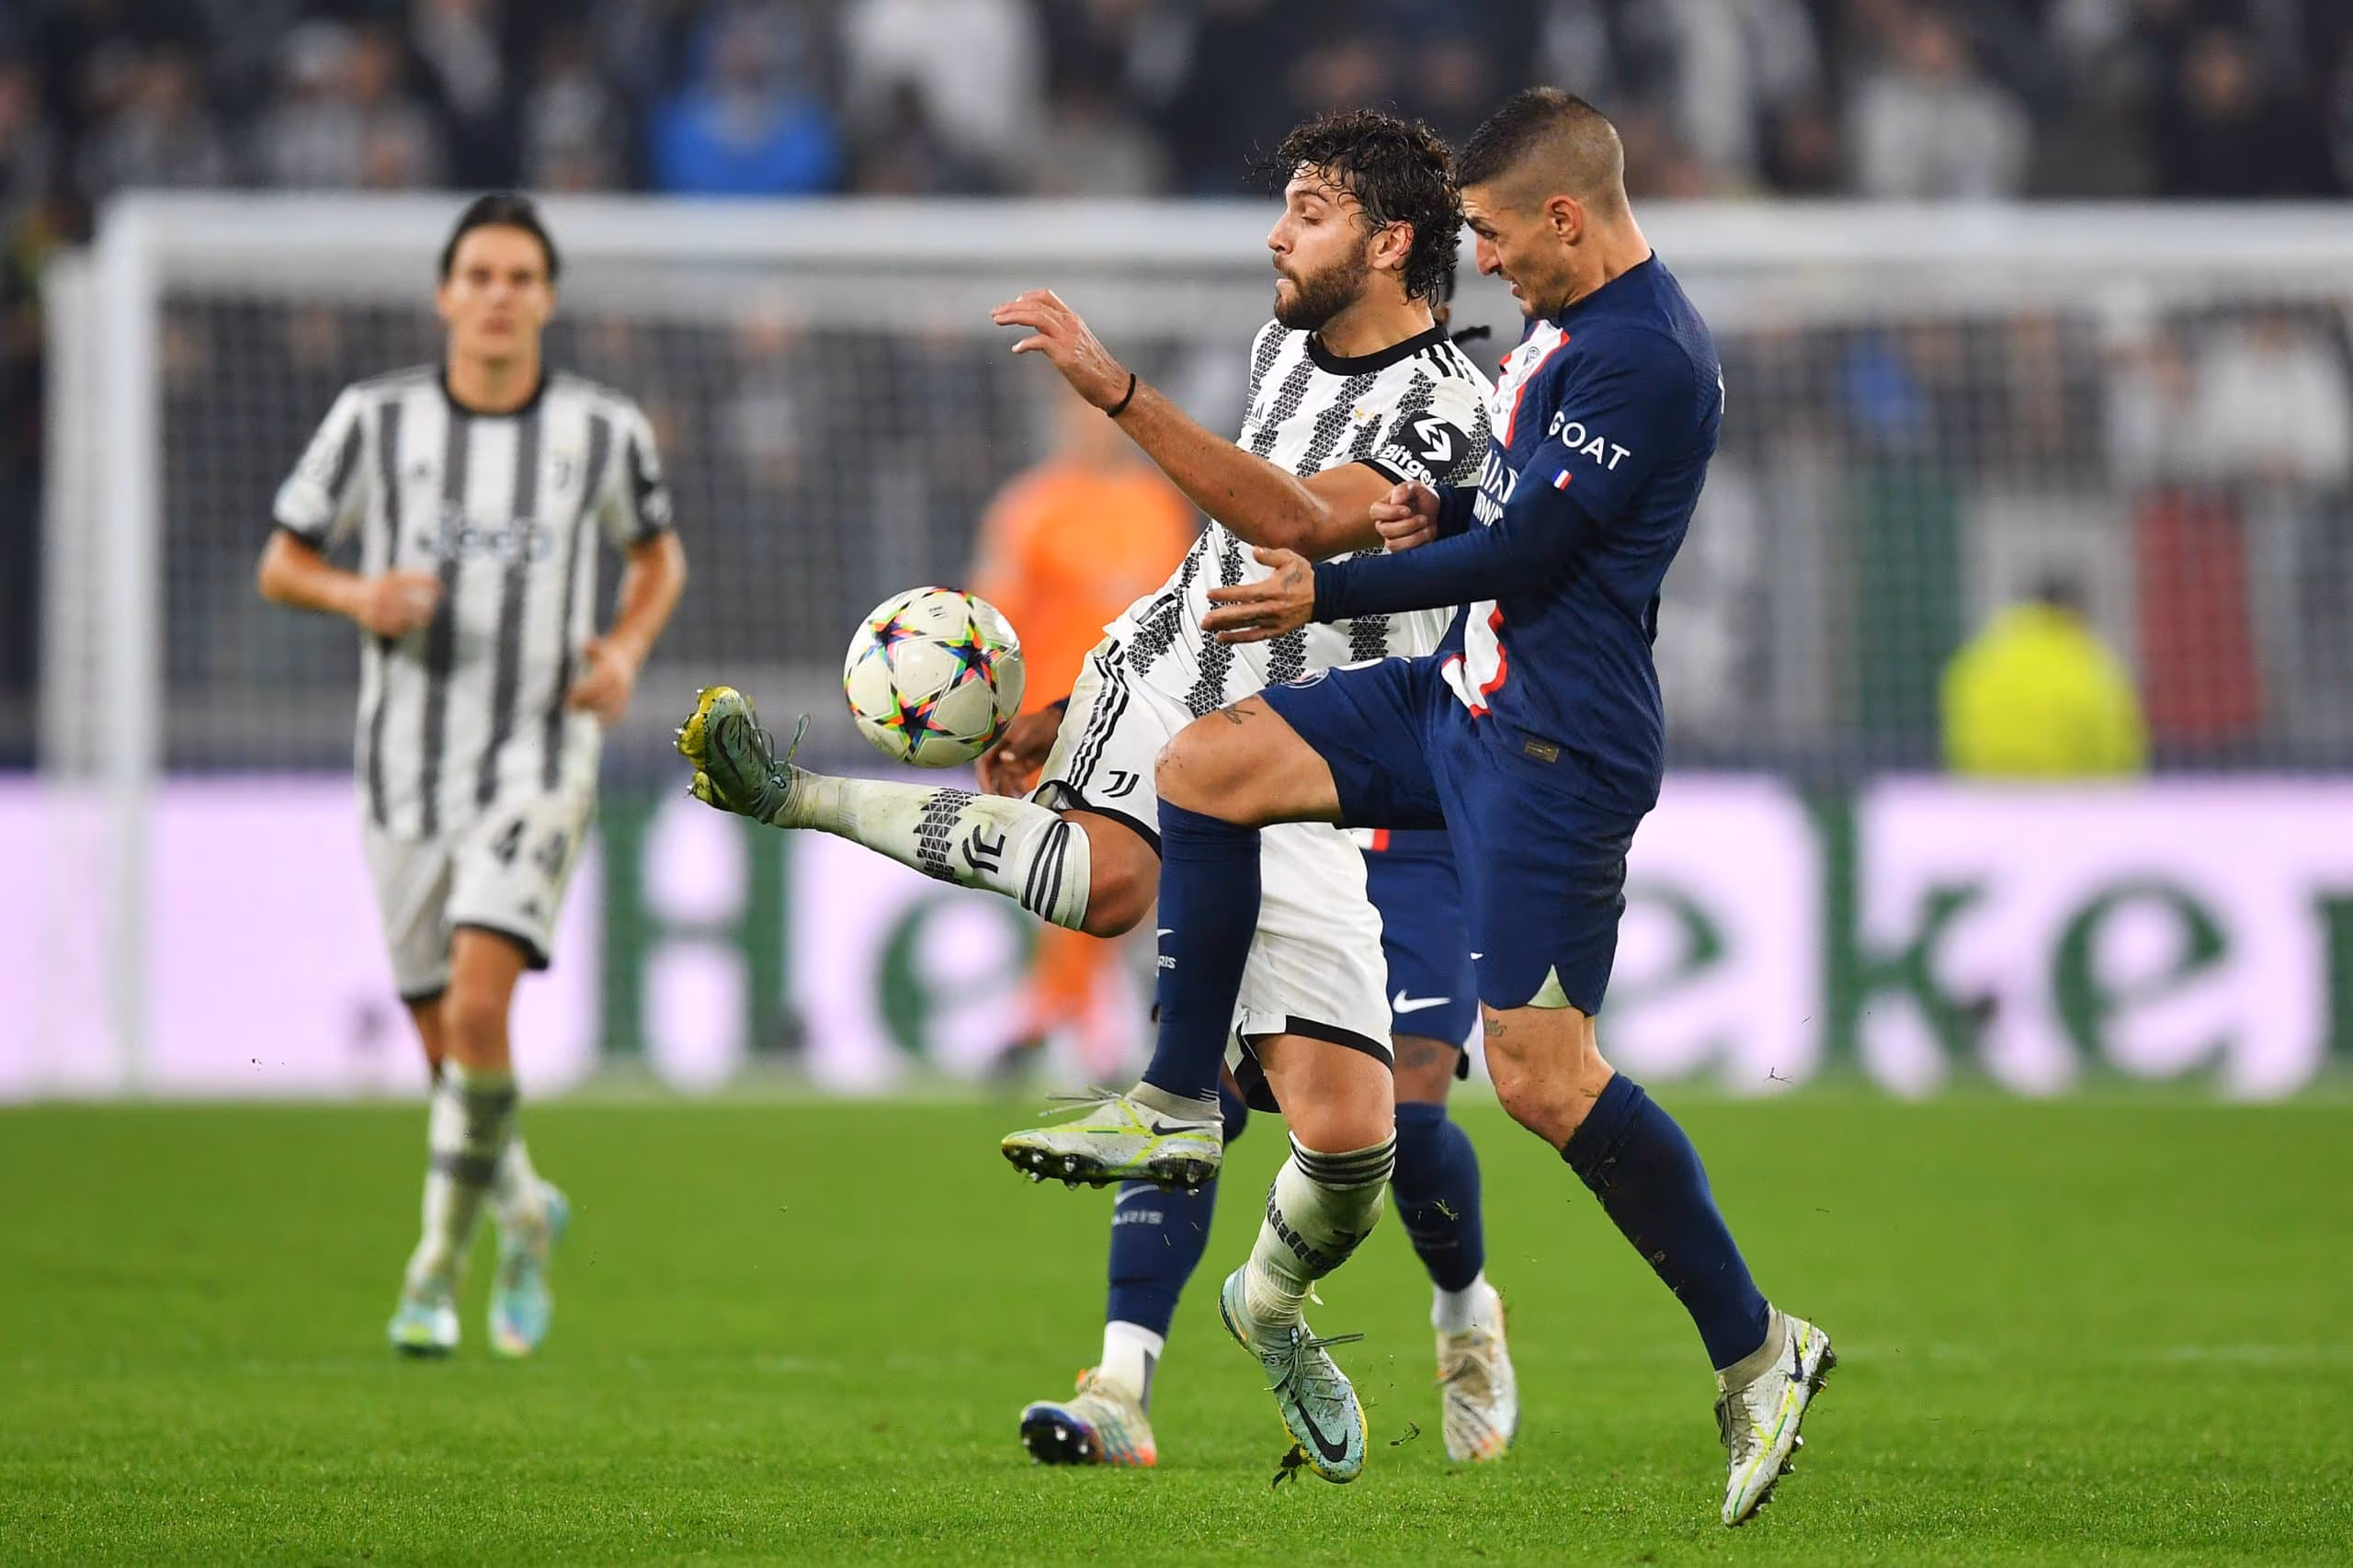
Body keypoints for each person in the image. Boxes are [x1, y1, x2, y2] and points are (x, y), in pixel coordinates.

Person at [997, 89, 1835, 1522]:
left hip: (1552, 751)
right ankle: (1179, 1105)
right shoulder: (1566, 333)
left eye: (1501, 236)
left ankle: (1760, 1346)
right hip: (1459, 702)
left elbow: (1540, 550)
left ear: (1566, 217)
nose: (1488, 262)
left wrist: (1341, 579)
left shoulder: (1645, 360)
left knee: (1542, 1079)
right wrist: (1435, 518)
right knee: (1210, 766)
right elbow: (1502, 514)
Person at [676, 109, 1501, 1483]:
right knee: (1115, 885)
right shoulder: (1279, 346)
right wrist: (1080, 713)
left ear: (1390, 241)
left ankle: (1272, 1305)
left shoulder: (1445, 412)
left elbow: (1298, 521)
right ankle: (797, 796)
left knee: (1357, 1143)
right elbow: (1238, 543)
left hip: (1314, 765)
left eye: (1307, 208)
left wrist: (1118, 392)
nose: (1276, 233)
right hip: (1179, 679)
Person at [257, 193, 688, 1358]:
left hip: (539, 752)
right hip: (402, 766)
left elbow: (656, 556)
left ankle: (433, 1272)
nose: (498, 295)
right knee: (446, 1039)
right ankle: (523, 1210)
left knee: (485, 1001)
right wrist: (359, 594)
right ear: (446, 294)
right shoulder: (373, 420)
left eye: (519, 277)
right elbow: (282, 560)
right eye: (479, 275)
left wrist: (622, 649)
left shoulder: (600, 431)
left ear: (546, 299)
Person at [968, 384, 1196, 1078]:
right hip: (1050, 728)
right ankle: (1083, 1032)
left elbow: (1183, 618)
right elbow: (989, 623)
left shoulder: (1157, 508)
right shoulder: (1029, 508)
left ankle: (1054, 1016)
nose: (1088, 430)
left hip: (1138, 721)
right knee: (1085, 874)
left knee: (1106, 876)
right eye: (1074, 415)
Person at [1940, 576, 2147, 777]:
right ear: (2074, 611)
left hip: (1985, 798)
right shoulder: (2087, 664)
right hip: (2068, 800)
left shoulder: (1978, 661)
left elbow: (1956, 738)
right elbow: (2116, 748)